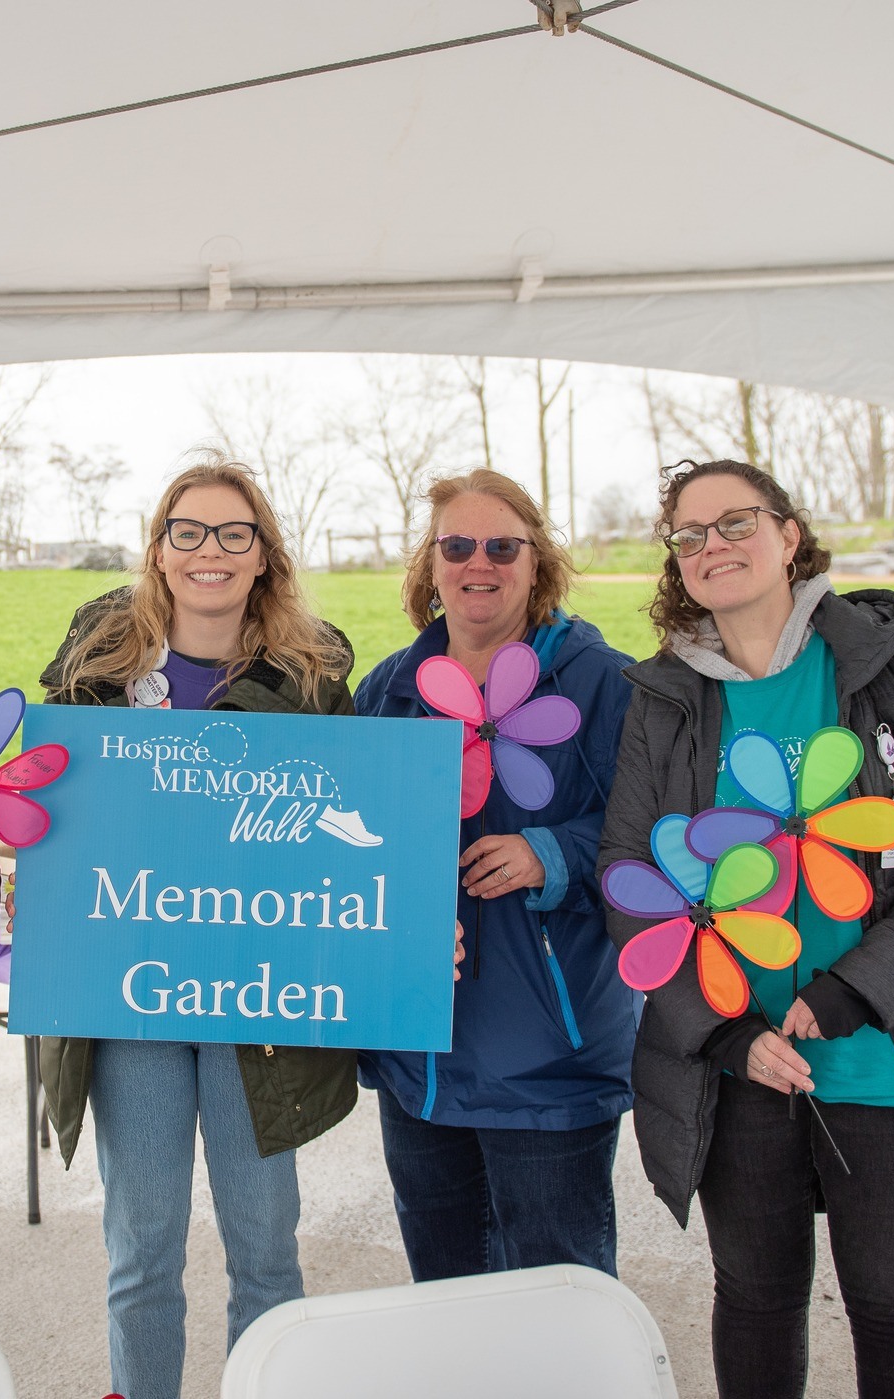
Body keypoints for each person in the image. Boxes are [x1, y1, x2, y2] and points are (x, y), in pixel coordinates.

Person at [599, 458, 894, 1399]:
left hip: (887, 1050)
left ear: (788, 535)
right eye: (689, 537)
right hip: (739, 1061)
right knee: (757, 1298)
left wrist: (861, 986)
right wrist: (725, 1033)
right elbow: (629, 879)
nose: (713, 547)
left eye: (734, 523)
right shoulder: (664, 697)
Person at [36, 453, 361, 1399]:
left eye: (232, 533)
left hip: (259, 999)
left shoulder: (311, 674)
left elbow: (351, 831)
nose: (208, 551)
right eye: (188, 532)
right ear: (160, 550)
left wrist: (394, 924)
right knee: (143, 1251)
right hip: (132, 997)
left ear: (263, 555)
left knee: (265, 1247)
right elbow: (46, 806)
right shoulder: (97, 664)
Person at [354, 469, 636, 1281]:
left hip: (549, 1060)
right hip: (422, 1065)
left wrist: (553, 853)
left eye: (503, 545)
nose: (480, 563)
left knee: (558, 1302)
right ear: (431, 564)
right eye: (458, 545)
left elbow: (657, 835)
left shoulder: (600, 682)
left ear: (537, 561)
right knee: (446, 1300)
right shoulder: (389, 692)